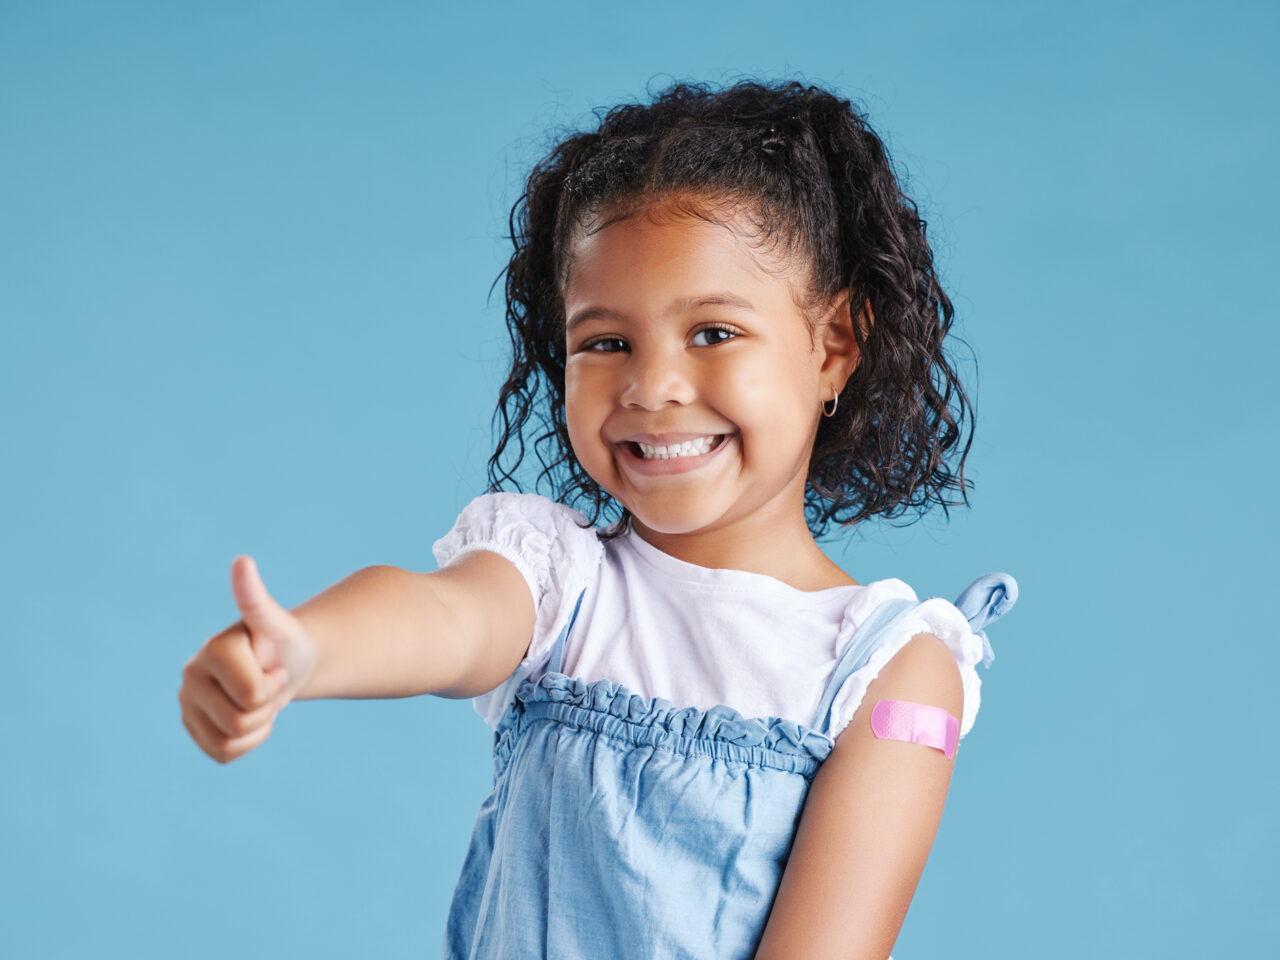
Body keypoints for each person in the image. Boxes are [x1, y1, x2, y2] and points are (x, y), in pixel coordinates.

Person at [179, 77, 1018, 960]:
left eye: (714, 333)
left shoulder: (890, 674)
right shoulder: (559, 584)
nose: (652, 387)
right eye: (605, 343)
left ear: (834, 346)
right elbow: (443, 618)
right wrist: (308, 650)